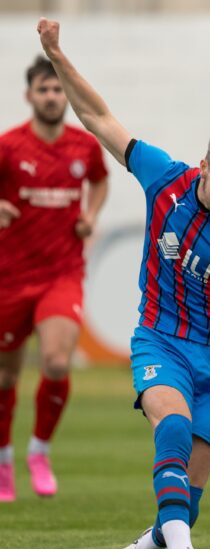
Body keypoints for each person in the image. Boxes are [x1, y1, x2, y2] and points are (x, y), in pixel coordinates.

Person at [37, 18, 210, 549]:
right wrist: (55, 54)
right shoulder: (164, 178)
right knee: (171, 426)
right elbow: (99, 116)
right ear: (204, 166)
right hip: (161, 340)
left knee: (185, 501)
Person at [0, 55, 109, 502]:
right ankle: (3, 462)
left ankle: (39, 452)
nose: (51, 96)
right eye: (42, 90)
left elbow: (100, 182)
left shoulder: (84, 147)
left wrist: (90, 214)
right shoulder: (8, 146)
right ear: (29, 96)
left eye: (57, 89)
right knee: (6, 378)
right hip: (10, 275)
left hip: (62, 273)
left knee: (58, 362)